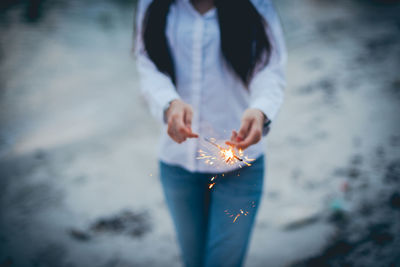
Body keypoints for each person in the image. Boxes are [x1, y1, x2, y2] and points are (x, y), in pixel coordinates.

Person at [134, 0, 287, 266]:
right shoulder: (151, 3)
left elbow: (270, 67)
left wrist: (260, 110)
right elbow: (147, 63)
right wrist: (169, 103)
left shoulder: (257, 4)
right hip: (177, 164)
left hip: (240, 163)